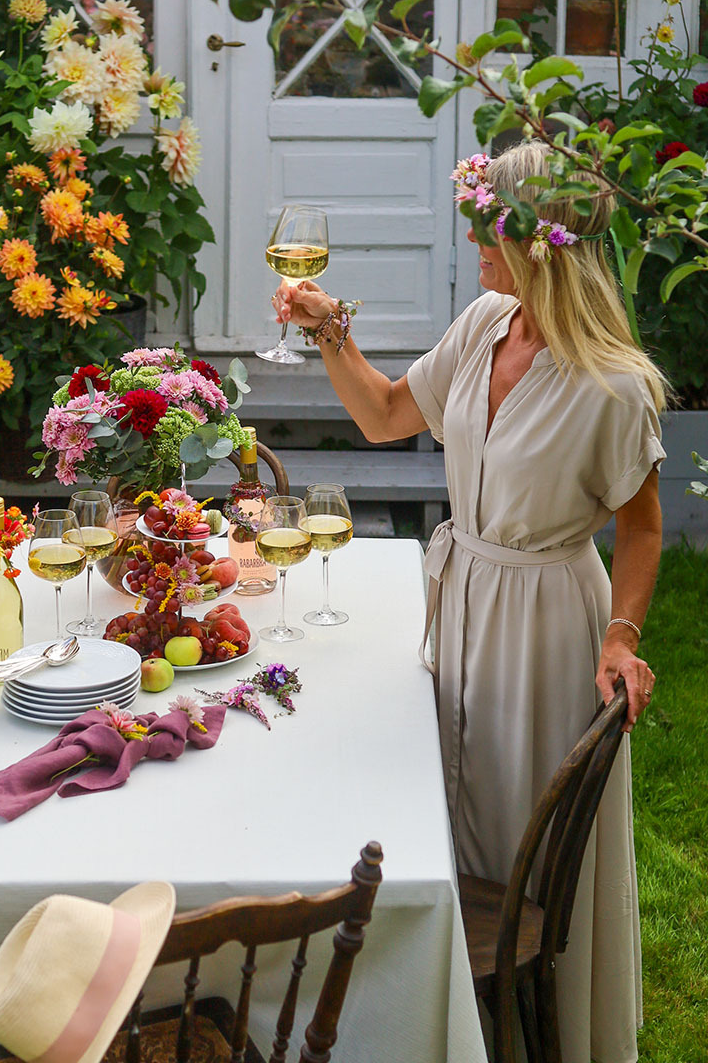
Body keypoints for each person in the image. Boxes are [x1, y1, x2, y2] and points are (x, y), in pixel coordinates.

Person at [273, 140, 662, 1063]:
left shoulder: (615, 386)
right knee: (443, 804)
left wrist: (620, 634)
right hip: (464, 599)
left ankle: (529, 1028)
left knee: (521, 835)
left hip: (547, 627)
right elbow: (383, 415)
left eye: (490, 232)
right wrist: (329, 327)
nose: (475, 248)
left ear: (543, 243)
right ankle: (454, 1024)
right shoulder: (487, 323)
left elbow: (643, 528)